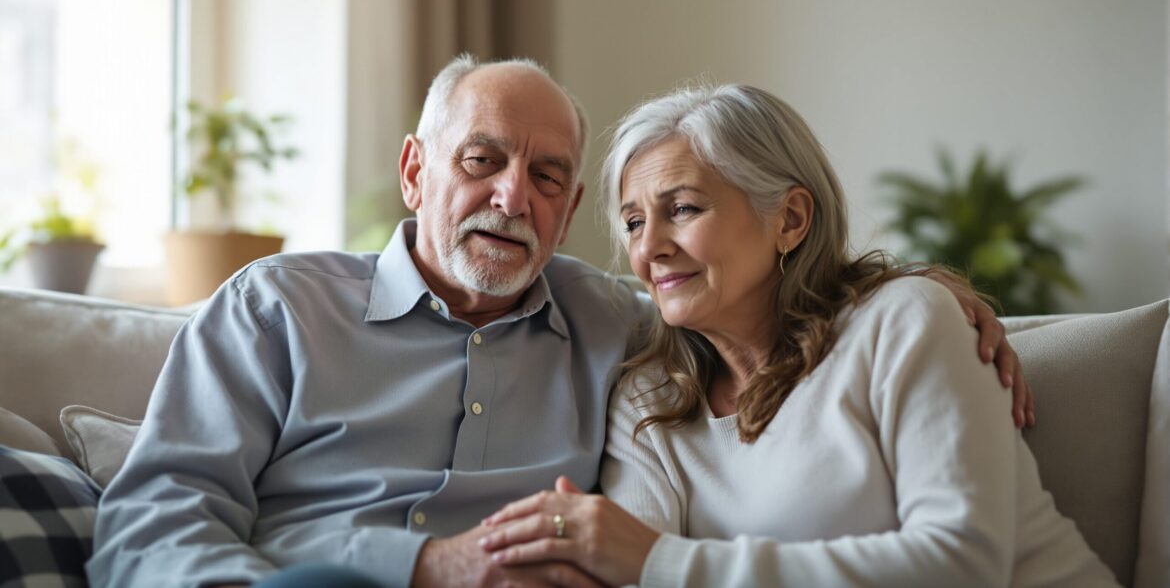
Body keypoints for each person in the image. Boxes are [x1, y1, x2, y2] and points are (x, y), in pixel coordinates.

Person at [89, 60, 1028, 588]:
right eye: (482, 159)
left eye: (545, 178)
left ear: (568, 207)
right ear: (417, 173)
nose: (510, 196)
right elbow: (145, 529)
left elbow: (755, 296)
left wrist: (931, 291)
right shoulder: (277, 308)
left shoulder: (624, 332)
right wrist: (414, 566)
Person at [479, 84, 1115, 587]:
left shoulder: (904, 322)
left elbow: (962, 565)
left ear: (790, 218)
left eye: (683, 209)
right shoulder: (650, 398)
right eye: (634, 221)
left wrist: (662, 564)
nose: (650, 249)